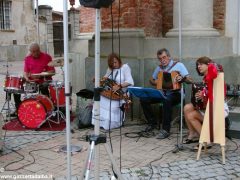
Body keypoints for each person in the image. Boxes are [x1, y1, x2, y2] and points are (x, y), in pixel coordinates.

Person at [140, 48, 193, 139]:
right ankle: (152, 123)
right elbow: (151, 80)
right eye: (160, 59)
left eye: (164, 57)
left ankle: (165, 130)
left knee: (167, 99)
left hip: (176, 93)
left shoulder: (179, 65)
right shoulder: (159, 68)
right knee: (144, 99)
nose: (162, 60)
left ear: (169, 57)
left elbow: (190, 80)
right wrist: (157, 82)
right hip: (163, 93)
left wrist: (182, 79)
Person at [183, 56, 229, 146]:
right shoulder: (205, 78)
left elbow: (217, 94)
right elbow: (207, 93)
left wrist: (204, 94)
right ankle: (193, 133)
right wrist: (200, 97)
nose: (199, 66)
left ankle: (206, 140)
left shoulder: (216, 77)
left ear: (208, 65)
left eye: (201, 64)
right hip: (209, 106)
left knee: (191, 115)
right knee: (187, 107)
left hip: (217, 109)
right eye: (198, 65)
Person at [9, 42, 55, 116]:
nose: (36, 53)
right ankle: (18, 108)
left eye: (37, 50)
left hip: (44, 80)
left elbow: (52, 72)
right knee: (16, 85)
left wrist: (40, 75)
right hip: (31, 81)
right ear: (30, 51)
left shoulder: (47, 57)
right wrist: (26, 78)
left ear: (39, 49)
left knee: (44, 86)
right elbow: (25, 72)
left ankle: (47, 108)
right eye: (33, 51)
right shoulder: (27, 58)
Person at [94, 53, 134, 130]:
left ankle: (112, 123)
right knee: (99, 98)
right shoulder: (110, 69)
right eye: (112, 63)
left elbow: (130, 81)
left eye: (115, 62)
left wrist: (119, 86)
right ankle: (101, 123)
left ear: (119, 60)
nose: (114, 65)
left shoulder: (125, 67)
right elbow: (105, 79)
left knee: (111, 104)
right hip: (111, 92)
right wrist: (99, 80)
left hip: (122, 93)